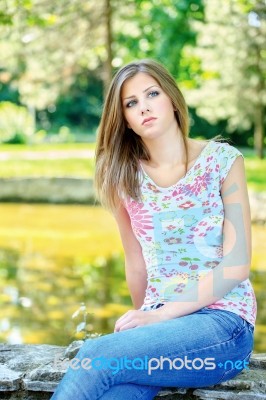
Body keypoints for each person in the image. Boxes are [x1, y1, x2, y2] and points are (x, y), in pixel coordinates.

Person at [51, 59, 257, 400]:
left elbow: (235, 266)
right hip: (163, 327)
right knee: (116, 391)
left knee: (94, 358)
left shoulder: (223, 161)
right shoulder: (124, 178)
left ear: (172, 98)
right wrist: (145, 329)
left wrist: (158, 319)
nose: (143, 107)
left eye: (151, 94)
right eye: (131, 103)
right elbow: (136, 265)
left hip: (223, 330)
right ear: (126, 121)